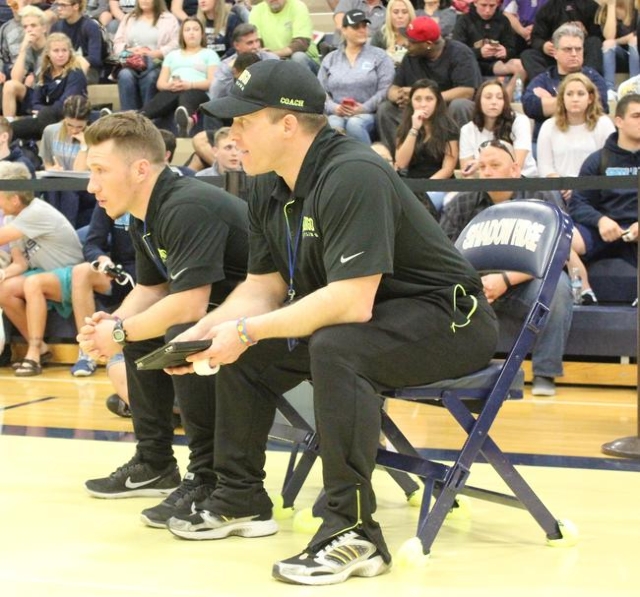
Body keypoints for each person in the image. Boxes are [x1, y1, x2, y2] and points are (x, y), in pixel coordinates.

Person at [162, 59, 498, 586]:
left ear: (288, 124)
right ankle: (241, 496)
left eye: (243, 123)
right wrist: (208, 331)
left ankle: (354, 530)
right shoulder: (265, 186)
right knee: (238, 344)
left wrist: (246, 330)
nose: (231, 136)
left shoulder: (352, 173)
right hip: (371, 318)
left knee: (336, 346)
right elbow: (263, 288)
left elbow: (352, 302)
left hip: (449, 320)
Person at [76, 112, 249, 532]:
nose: (91, 185)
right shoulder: (145, 212)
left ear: (139, 169)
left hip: (272, 321)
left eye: (100, 171)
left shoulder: (186, 205)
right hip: (223, 316)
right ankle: (154, 462)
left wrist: (117, 332)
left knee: (177, 333)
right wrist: (110, 324)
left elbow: (188, 306)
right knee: (148, 327)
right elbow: (152, 291)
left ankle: (208, 476)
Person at [440, 139, 573, 397]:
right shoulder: (462, 202)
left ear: (514, 168)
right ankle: (449, 367)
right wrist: (476, 283)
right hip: (475, 285)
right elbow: (444, 255)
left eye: (495, 165)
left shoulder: (540, 196)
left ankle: (545, 372)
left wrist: (505, 280)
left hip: (526, 282)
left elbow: (557, 251)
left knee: (558, 288)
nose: (487, 172)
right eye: (483, 166)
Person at [0, 161, 84, 376]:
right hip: (42, 274)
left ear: (15, 198)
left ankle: (34, 353)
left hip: (70, 275)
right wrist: (3, 274)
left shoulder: (36, 212)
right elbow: (21, 263)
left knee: (32, 283)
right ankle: (42, 348)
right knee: (4, 289)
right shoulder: (12, 216)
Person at [376, 15, 482, 153]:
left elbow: (467, 91)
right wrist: (398, 95)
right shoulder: (411, 55)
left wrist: (428, 98)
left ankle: (460, 160)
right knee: (386, 109)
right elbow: (394, 87)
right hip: (418, 110)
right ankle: (397, 161)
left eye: (412, 41)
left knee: (460, 105)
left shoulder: (460, 53)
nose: (407, 43)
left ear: (428, 44)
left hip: (447, 110)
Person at [569, 92, 640, 280]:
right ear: (619, 121)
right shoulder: (597, 160)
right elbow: (578, 203)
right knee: (561, 241)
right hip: (604, 229)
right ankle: (584, 294)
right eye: (636, 116)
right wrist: (600, 221)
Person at [70, 205, 135, 379]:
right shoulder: (108, 200)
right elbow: (91, 244)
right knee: (81, 272)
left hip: (156, 272)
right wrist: (103, 260)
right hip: (121, 271)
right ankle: (87, 351)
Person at [522, 23, 608, 144]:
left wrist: (552, 101)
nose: (574, 54)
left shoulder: (592, 77)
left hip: (586, 140)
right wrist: (580, 103)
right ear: (555, 53)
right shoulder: (544, 79)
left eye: (578, 49)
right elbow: (530, 106)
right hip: (548, 142)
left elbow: (601, 105)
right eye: (568, 49)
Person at [318, 10, 395, 144]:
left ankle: (367, 163)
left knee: (354, 124)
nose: (361, 30)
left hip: (370, 114)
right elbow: (320, 90)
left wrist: (364, 108)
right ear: (344, 30)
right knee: (332, 125)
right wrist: (333, 108)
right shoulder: (331, 59)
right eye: (356, 27)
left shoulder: (379, 56)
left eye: (364, 26)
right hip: (337, 112)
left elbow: (385, 89)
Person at [140, 16, 219, 137]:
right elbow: (160, 84)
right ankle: (135, 119)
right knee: (163, 98)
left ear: (202, 34)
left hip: (198, 90)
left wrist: (190, 85)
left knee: (188, 95)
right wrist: (170, 86)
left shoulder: (209, 54)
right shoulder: (172, 55)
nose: (191, 33)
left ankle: (186, 122)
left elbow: (212, 82)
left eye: (195, 29)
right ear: (182, 35)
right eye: (187, 30)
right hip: (173, 90)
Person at [10, 32, 88, 143]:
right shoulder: (44, 72)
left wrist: (43, 111)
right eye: (56, 51)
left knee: (47, 115)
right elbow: (35, 102)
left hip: (68, 119)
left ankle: (50, 153)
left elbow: (65, 104)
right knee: (11, 129)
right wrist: (43, 111)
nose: (61, 54)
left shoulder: (75, 73)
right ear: (48, 53)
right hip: (44, 119)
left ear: (70, 52)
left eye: (64, 50)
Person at [395, 78, 458, 211]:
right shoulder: (405, 127)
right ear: (411, 102)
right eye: (418, 99)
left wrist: (427, 188)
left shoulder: (449, 127)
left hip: (440, 184)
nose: (423, 104)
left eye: (429, 99)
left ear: (437, 102)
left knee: (427, 204)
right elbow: (400, 163)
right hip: (413, 185)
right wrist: (414, 129)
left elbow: (448, 168)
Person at [459, 78, 538, 178]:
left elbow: (517, 165)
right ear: (479, 101)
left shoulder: (520, 121)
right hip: (483, 183)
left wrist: (480, 163)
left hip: (520, 179)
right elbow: (467, 173)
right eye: (488, 97)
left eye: (499, 98)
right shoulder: (467, 130)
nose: (494, 102)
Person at [40, 94, 97, 228]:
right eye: (70, 125)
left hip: (84, 187)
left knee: (69, 188)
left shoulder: (93, 136)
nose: (74, 130)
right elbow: (47, 163)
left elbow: (79, 172)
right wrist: (52, 169)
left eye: (79, 127)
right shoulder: (50, 131)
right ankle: (52, 228)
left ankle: (66, 229)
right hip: (58, 183)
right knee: (50, 183)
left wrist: (84, 146)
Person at [112, 0, 180, 112]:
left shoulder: (169, 19)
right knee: (125, 75)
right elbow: (117, 42)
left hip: (157, 62)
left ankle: (147, 117)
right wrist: (129, 50)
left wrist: (156, 53)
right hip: (132, 62)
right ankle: (128, 118)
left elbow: (176, 43)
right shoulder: (129, 18)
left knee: (151, 76)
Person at [452, 0, 526, 101]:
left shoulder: (503, 20)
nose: (487, 10)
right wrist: (479, 52)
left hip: (495, 63)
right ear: (475, 3)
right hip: (471, 64)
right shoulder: (464, 20)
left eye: (492, 6)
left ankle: (506, 100)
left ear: (497, 5)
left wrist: (505, 52)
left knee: (521, 66)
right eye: (483, 5)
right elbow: (457, 51)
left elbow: (512, 48)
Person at [520, 0, 603, 80]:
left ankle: (588, 81)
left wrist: (585, 32)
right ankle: (547, 84)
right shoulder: (548, 8)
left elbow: (599, 35)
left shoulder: (590, 5)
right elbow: (536, 37)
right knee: (527, 55)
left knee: (594, 42)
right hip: (555, 54)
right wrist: (543, 45)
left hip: (580, 53)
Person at [1, 5, 48, 119]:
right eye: (25, 27)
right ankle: (10, 128)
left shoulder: (52, 47)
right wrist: (22, 49)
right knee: (9, 86)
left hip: (49, 96)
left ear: (44, 28)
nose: (29, 30)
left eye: (33, 25)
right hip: (34, 94)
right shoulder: (28, 49)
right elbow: (16, 79)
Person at [248, 0, 320, 73]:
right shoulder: (257, 11)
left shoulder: (298, 6)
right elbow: (256, 43)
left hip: (305, 61)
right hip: (272, 61)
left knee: (298, 57)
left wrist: (272, 55)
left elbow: (301, 44)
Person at [49, 0, 105, 84]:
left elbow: (95, 59)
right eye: (58, 5)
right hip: (61, 68)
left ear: (76, 6)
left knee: (69, 80)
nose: (59, 8)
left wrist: (74, 62)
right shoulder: (56, 27)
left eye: (63, 5)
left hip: (88, 70)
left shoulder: (90, 26)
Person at [596, 0, 639, 101]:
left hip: (636, 52)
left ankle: (635, 85)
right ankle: (609, 89)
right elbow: (609, 36)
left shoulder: (636, 6)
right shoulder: (604, 9)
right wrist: (611, 6)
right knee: (608, 44)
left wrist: (617, 41)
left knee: (634, 40)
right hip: (620, 57)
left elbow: (636, 35)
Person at [370, 0, 415, 66]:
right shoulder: (380, 35)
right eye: (395, 12)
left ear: (410, 15)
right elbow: (371, 62)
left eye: (405, 12)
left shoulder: (417, 37)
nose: (400, 16)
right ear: (389, 14)